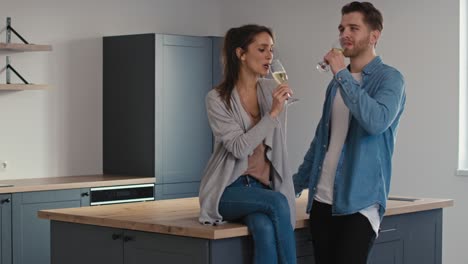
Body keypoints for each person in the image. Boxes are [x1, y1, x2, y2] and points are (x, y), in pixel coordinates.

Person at [293, 2, 406, 264]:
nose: (345, 34)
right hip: (322, 202)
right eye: (342, 27)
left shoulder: (391, 79)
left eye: (354, 28)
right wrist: (294, 186)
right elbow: (322, 141)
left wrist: (341, 75)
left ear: (374, 35)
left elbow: (376, 122)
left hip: (360, 205)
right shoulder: (336, 86)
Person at [198, 24, 297, 264]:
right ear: (241, 54)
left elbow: (276, 147)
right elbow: (240, 148)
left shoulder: (269, 91)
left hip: (261, 189)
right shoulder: (217, 99)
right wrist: (272, 115)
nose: (269, 56)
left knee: (263, 228)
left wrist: (276, 110)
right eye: (262, 49)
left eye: (271, 50)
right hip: (229, 189)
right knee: (278, 202)